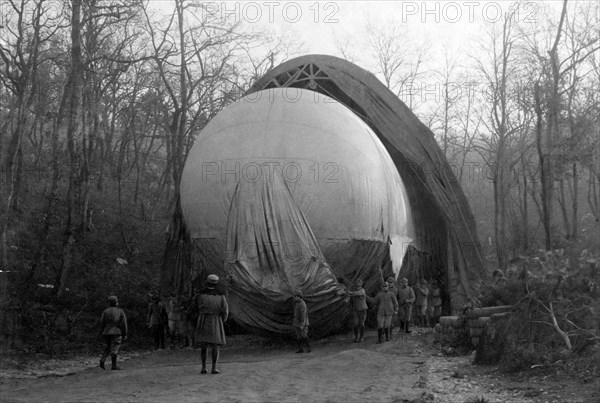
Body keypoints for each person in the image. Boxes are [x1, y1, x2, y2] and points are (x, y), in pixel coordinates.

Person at [195, 274, 228, 374]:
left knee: (204, 345)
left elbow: (197, 308)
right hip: (215, 320)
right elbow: (225, 310)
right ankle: (214, 368)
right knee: (215, 345)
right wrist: (222, 319)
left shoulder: (200, 295)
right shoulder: (221, 296)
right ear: (216, 284)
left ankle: (204, 367)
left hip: (203, 319)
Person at [99, 295, 128, 370]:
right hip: (116, 331)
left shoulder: (105, 311)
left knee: (108, 347)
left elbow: (101, 322)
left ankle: (102, 360)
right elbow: (124, 324)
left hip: (106, 332)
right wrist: (124, 334)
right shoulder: (120, 311)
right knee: (115, 348)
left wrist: (103, 331)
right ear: (116, 302)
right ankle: (114, 366)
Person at [386, 276, 399, 340]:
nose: (389, 283)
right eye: (388, 282)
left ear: (393, 283)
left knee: (391, 322)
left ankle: (390, 334)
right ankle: (385, 335)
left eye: (391, 282)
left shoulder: (395, 290)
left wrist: (395, 309)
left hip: (392, 307)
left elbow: (395, 300)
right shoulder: (385, 288)